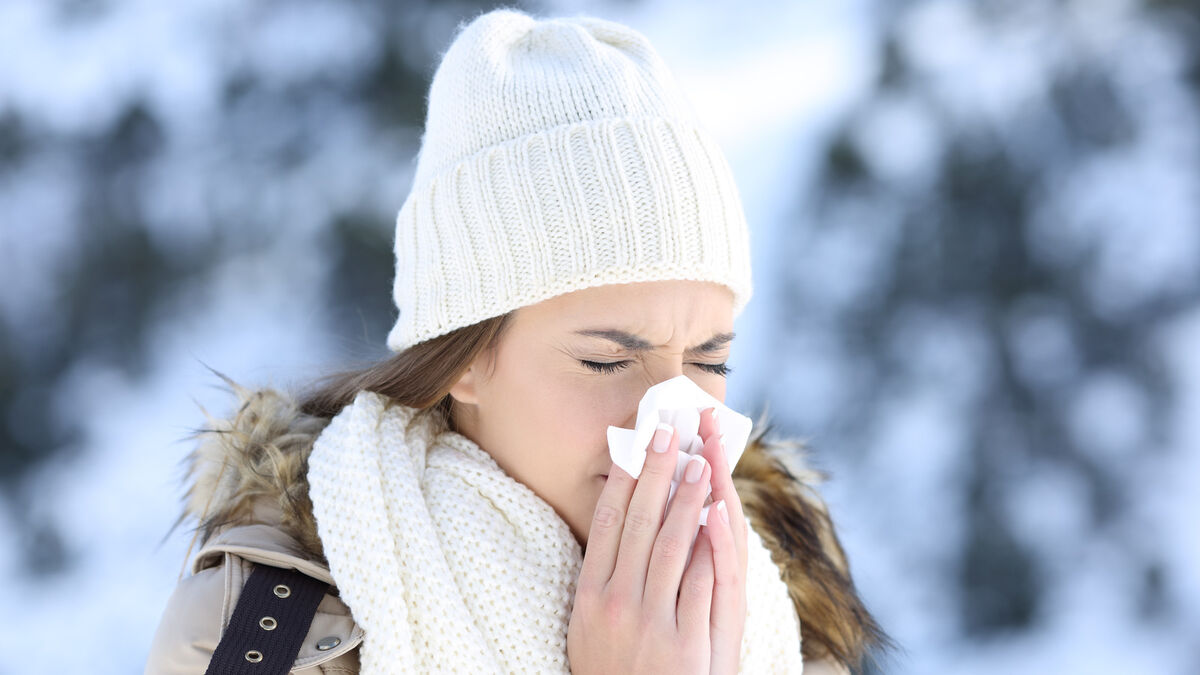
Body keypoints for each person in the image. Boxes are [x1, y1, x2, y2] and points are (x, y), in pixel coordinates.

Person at [144, 7, 888, 674]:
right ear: (464, 357)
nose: (675, 426)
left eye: (709, 358)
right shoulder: (261, 635)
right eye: (608, 360)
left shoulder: (780, 607)